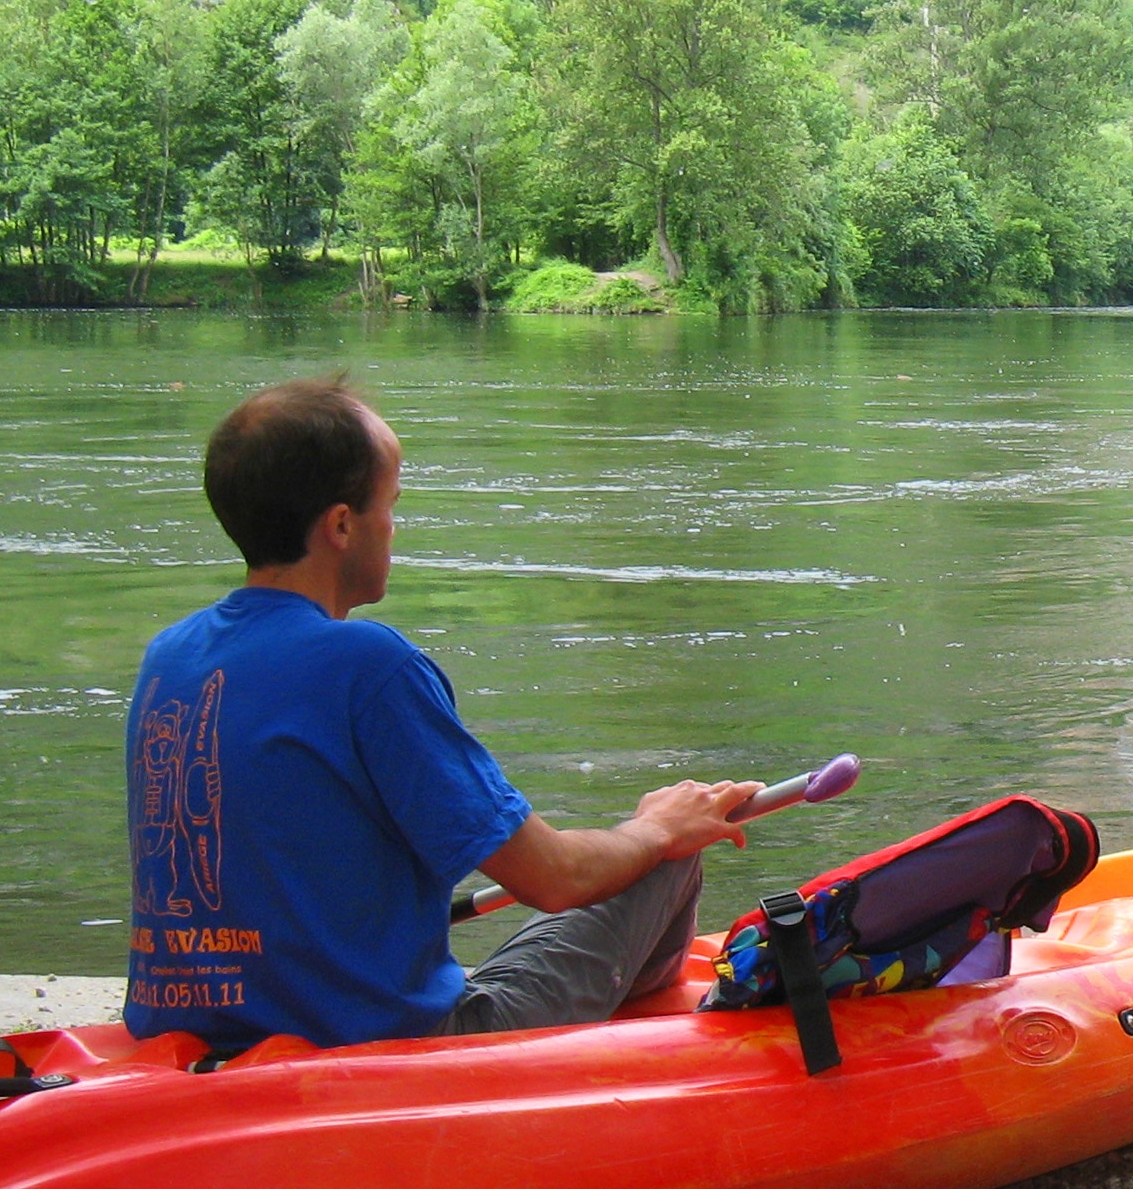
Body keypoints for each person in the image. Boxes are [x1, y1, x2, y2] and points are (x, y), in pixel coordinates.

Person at [125, 376, 759, 1054]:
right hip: (397, 1048)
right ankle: (648, 1056)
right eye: (390, 505)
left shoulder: (171, 655)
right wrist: (657, 828)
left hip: (196, 1034)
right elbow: (554, 877)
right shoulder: (368, 665)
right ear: (342, 524)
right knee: (666, 857)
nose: (394, 528)